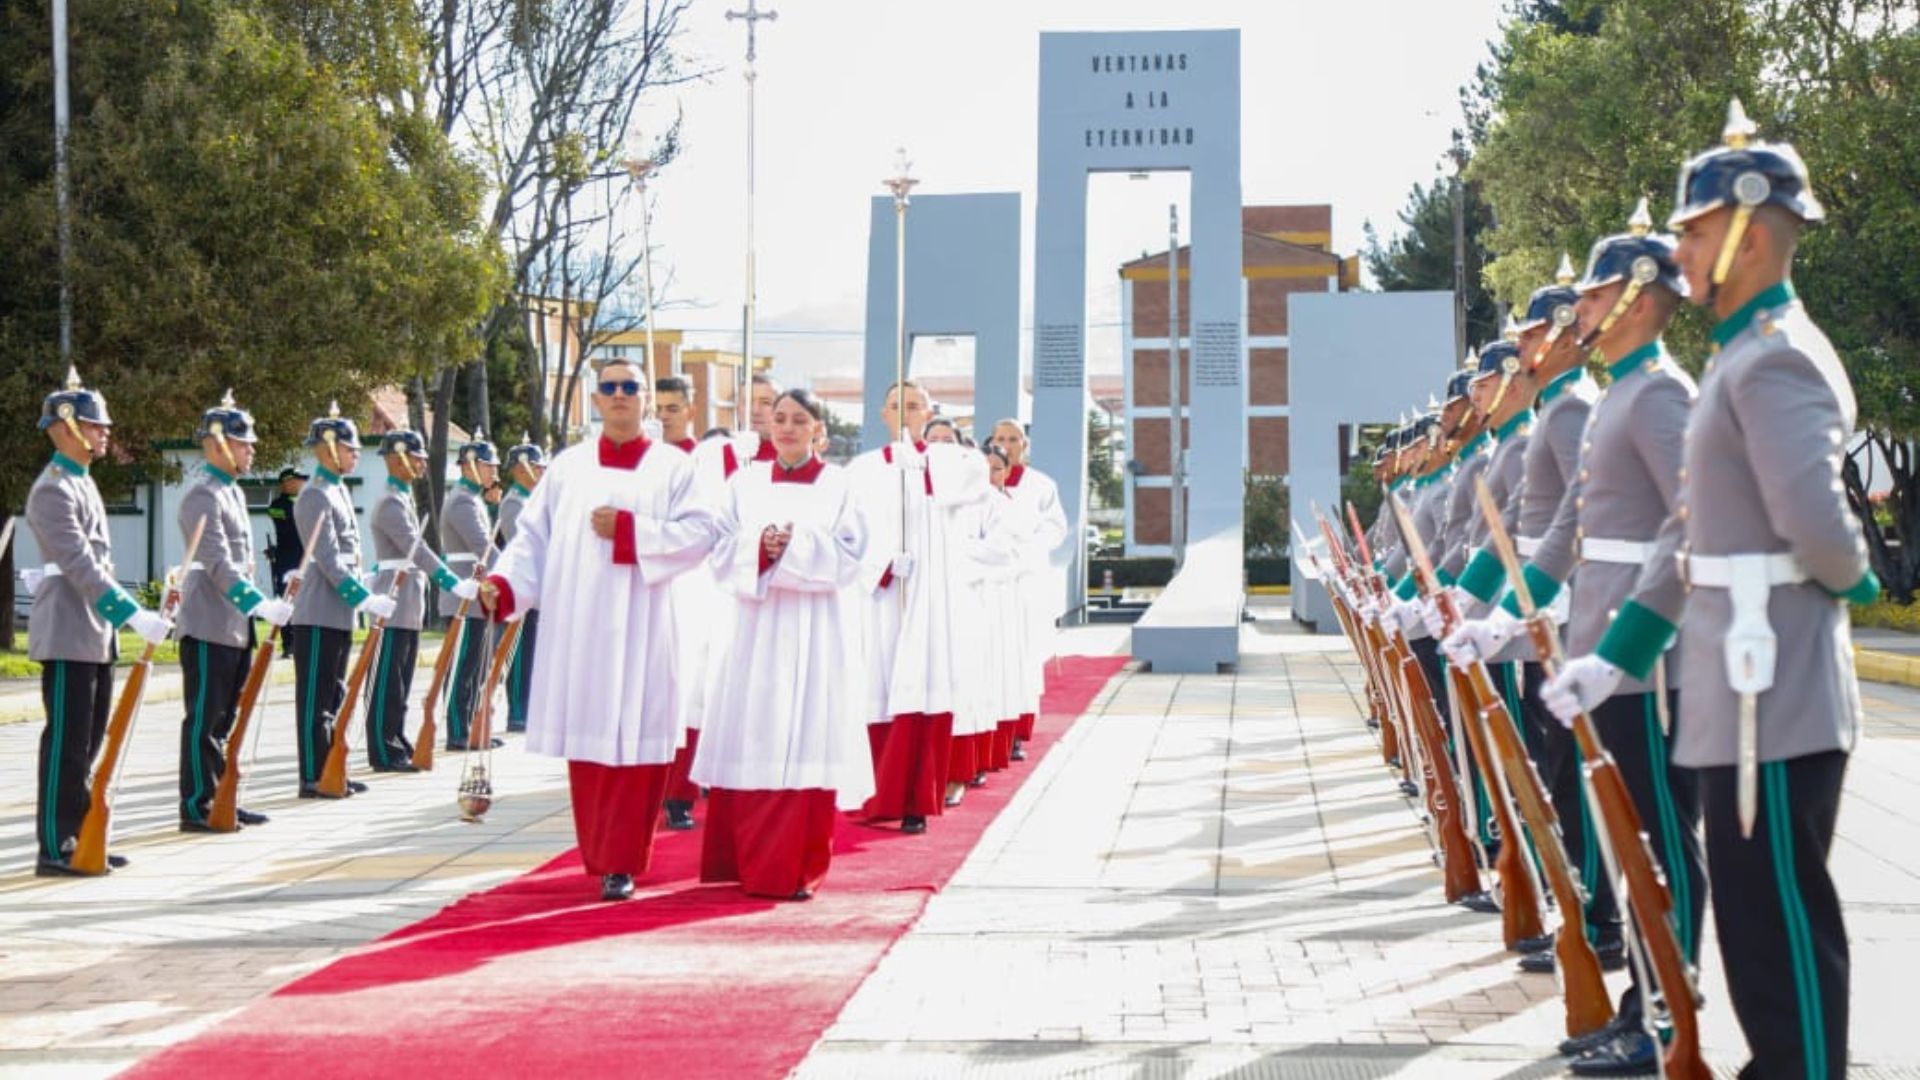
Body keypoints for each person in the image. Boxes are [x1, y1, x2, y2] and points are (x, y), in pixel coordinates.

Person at [1544, 104, 1868, 1080]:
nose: (1680, 252)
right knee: (1757, 932)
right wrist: (1615, 656)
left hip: (1776, 682)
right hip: (1741, 687)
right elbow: (1691, 531)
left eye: (1695, 231)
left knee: (1782, 928)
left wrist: (1846, 573)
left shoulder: (1773, 357)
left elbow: (1820, 530)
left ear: (1751, 234)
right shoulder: (1741, 356)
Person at [481, 358, 719, 901]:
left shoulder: (674, 468)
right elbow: (532, 538)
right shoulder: (568, 468)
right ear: (595, 400)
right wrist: (505, 583)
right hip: (582, 626)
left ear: (644, 398)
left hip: (647, 624)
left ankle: (623, 861)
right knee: (590, 744)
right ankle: (599, 853)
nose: (619, 395)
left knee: (640, 746)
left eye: (629, 387)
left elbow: (703, 534)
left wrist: (634, 531)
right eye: (609, 387)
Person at [691, 388, 870, 898]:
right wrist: (759, 548)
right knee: (755, 730)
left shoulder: (839, 485)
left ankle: (795, 866)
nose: (788, 428)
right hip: (755, 627)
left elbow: (854, 553)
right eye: (779, 419)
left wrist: (796, 545)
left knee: (806, 733)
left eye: (799, 419)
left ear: (818, 429)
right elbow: (718, 546)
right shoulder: (744, 483)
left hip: (815, 629)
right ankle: (748, 860)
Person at [27, 369, 171, 875]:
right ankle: (55, 844)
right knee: (67, 744)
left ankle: (82, 834)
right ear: (67, 427)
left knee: (88, 742)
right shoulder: (53, 489)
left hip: (92, 630)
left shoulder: (80, 482)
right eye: (95, 425)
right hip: (69, 628)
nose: (105, 432)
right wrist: (132, 614)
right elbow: (81, 566)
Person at [848, 381, 988, 833]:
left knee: (923, 686)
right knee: (881, 683)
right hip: (885, 593)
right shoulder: (862, 469)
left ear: (928, 413)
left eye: (914, 406)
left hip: (928, 597)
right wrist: (882, 565)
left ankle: (917, 801)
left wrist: (925, 465)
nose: (905, 413)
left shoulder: (951, 461)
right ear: (883, 414)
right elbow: (849, 533)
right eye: (897, 406)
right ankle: (878, 793)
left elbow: (976, 480)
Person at [176, 392, 286, 832]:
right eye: (244, 443)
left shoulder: (231, 493)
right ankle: (197, 804)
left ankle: (224, 797)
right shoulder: (201, 496)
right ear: (220, 444)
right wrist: (258, 604)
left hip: (234, 622)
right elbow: (219, 564)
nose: (251, 450)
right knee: (205, 720)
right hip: (208, 621)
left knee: (227, 718)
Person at [288, 405, 393, 799]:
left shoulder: (337, 490)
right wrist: (363, 598)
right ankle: (312, 774)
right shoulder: (314, 495)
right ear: (330, 449)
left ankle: (332, 769)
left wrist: (363, 586)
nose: (356, 455)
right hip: (319, 608)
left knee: (334, 694)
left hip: (339, 609)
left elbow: (348, 556)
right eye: (350, 449)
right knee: (316, 700)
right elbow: (329, 560)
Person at [367, 429, 479, 769]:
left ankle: (396, 738)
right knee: (388, 677)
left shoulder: (401, 498)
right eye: (416, 458)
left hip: (408, 597)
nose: (421, 464)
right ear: (398, 458)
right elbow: (416, 549)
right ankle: (383, 748)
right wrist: (450, 581)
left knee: (402, 675)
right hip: (394, 594)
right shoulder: (390, 502)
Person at [987, 419, 1069, 760]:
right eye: (1000, 438)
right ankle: (988, 730)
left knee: (1022, 658)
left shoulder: (1040, 485)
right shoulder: (979, 484)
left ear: (1025, 445)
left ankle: (1017, 732)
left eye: (1013, 439)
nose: (1006, 444)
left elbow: (1056, 527)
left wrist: (1027, 548)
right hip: (989, 583)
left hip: (1024, 581)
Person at [440, 433, 499, 751]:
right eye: (489, 466)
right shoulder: (463, 500)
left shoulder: (472, 498)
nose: (494, 472)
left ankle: (472, 728)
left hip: (477, 594)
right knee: (462, 667)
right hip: (464, 595)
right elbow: (482, 547)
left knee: (475, 667)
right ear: (472, 466)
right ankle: (457, 730)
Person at [499, 437, 546, 734]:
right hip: (522, 586)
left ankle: (528, 708)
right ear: (521, 469)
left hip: (536, 586)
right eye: (536, 467)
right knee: (520, 653)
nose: (541, 472)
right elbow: (521, 545)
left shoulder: (531, 502)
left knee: (533, 652)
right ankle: (517, 711)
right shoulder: (513, 504)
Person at [266, 466, 307, 597]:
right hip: (288, 560)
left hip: (305, 558)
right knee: (288, 597)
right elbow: (290, 521)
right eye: (298, 480)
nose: (302, 483)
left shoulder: (304, 502)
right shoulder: (277, 505)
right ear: (287, 482)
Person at [656, 375, 697, 452]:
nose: (663, 416)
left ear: (690, 413)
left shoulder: (697, 456)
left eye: (672, 409)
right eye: (658, 409)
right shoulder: (648, 454)